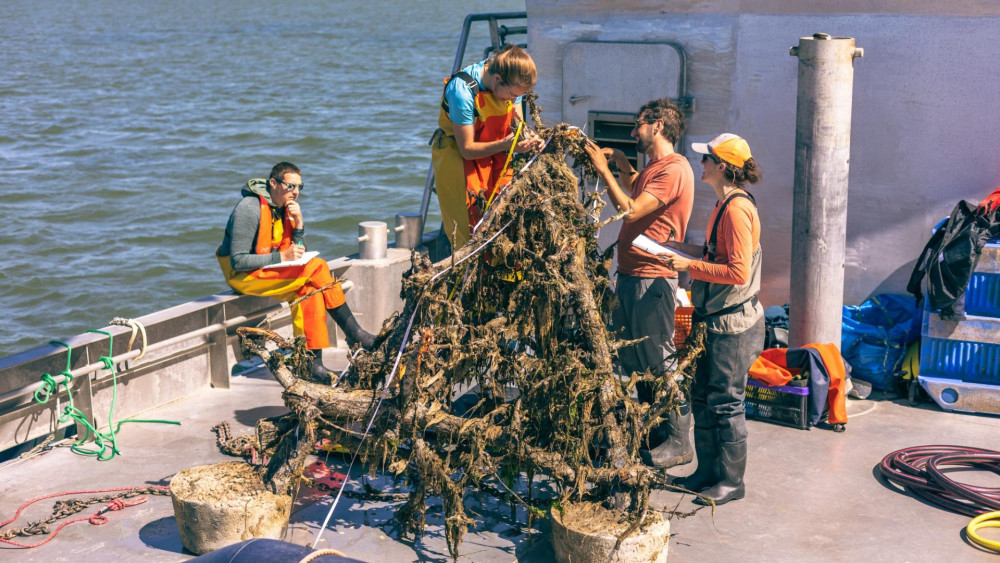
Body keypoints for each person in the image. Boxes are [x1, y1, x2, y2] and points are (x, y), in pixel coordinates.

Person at [582, 98, 695, 470]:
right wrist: (621, 163)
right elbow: (637, 189)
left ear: (658, 125)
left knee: (660, 359)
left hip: (652, 278)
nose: (633, 132)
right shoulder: (654, 168)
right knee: (637, 359)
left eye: (639, 125)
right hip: (633, 276)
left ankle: (679, 440)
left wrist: (602, 168)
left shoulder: (674, 169)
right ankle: (655, 431)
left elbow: (631, 210)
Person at [658, 133, 765, 506]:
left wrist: (687, 265)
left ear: (722, 166)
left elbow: (736, 272)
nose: (700, 164)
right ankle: (707, 473)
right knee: (703, 398)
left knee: (726, 403)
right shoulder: (724, 204)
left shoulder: (735, 209)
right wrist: (680, 249)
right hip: (714, 320)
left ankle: (732, 482)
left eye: (706, 159)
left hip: (733, 326)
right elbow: (716, 256)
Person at [217, 162, 375, 382]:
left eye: (300, 187)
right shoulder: (249, 208)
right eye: (291, 186)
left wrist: (299, 224)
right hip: (244, 276)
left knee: (309, 291)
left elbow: (300, 252)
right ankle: (356, 334)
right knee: (318, 266)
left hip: (269, 270)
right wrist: (282, 257)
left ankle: (311, 364)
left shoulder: (286, 208)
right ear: (274, 183)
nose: (296, 192)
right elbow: (238, 261)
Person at [431, 44, 544, 250]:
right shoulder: (463, 91)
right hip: (460, 159)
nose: (512, 100)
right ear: (498, 78)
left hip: (497, 155)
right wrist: (507, 145)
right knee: (470, 234)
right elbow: (467, 149)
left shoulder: (512, 79)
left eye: (518, 96)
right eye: (511, 95)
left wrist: (531, 138)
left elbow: (517, 122)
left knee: (506, 222)